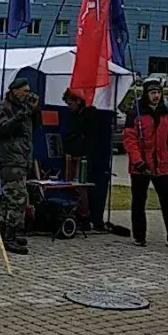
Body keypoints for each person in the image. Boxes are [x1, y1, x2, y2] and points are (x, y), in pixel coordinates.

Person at [122, 78, 168, 249]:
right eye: (153, 93)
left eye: (158, 93)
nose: (156, 96)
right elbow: (129, 140)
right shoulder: (135, 114)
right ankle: (139, 235)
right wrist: (138, 161)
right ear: (146, 94)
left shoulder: (167, 115)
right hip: (141, 166)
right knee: (139, 201)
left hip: (162, 165)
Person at [0, 77, 41, 255]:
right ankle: (10, 236)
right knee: (17, 198)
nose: (27, 94)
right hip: (9, 160)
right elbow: (0, 129)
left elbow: (35, 129)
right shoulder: (3, 108)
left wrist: (33, 111)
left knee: (10, 199)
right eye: (25, 91)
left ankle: (7, 232)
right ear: (15, 91)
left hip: (21, 159)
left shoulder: (24, 110)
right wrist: (21, 115)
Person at [62, 88, 101, 232]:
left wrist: (84, 154)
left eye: (70, 103)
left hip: (82, 155)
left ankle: (84, 216)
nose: (69, 107)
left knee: (80, 187)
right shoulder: (71, 115)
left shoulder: (89, 115)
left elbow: (91, 138)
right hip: (70, 154)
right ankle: (73, 213)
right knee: (69, 185)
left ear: (78, 101)